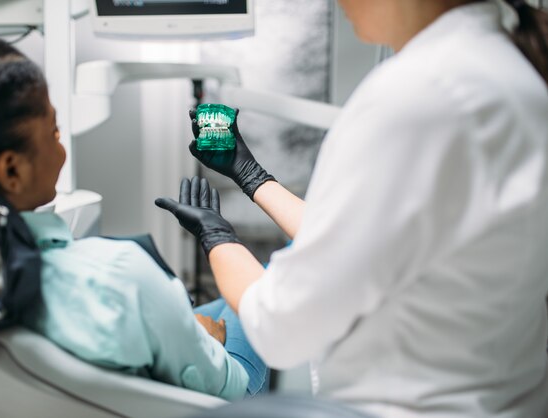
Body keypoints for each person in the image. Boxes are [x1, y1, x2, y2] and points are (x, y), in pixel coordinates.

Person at [156, 0, 548, 416]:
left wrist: (217, 238)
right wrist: (252, 176)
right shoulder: (503, 65)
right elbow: (362, 238)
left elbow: (282, 328)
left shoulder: (414, 97)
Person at [0, 27, 269, 400]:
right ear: (12, 171)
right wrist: (212, 336)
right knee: (263, 289)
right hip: (216, 393)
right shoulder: (121, 277)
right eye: (54, 131)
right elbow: (229, 389)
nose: (61, 145)